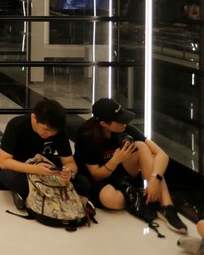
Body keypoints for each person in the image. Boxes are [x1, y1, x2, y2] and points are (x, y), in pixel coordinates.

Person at [74, 97, 187, 233]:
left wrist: (154, 179)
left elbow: (162, 155)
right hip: (99, 179)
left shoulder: (126, 129)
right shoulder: (87, 136)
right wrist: (115, 160)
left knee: (142, 147)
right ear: (103, 123)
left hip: (122, 174)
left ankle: (167, 206)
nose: (125, 122)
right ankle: (142, 199)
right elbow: (96, 175)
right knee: (110, 199)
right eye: (120, 120)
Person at [0, 98, 89, 210]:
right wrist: (35, 169)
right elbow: (4, 161)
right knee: (7, 176)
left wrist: (69, 172)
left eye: (53, 131)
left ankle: (38, 194)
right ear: (34, 117)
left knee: (83, 183)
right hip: (23, 171)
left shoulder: (59, 132)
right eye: (46, 129)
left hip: (47, 173)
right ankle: (56, 194)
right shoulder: (16, 125)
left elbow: (69, 162)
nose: (49, 134)